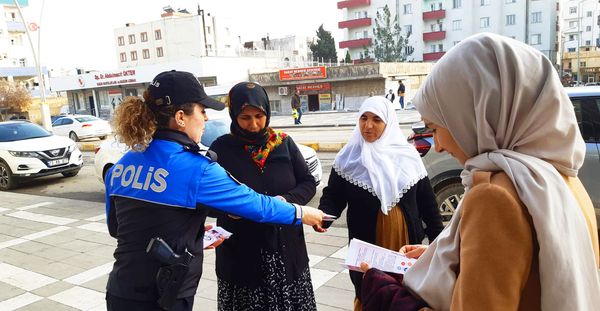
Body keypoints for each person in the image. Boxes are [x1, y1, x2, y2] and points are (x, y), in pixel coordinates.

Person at [360, 33, 600, 310]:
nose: (438, 146)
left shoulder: (493, 196)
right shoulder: (559, 179)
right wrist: (443, 256)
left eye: (437, 128)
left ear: (478, 114)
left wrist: (383, 290)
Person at [104, 70, 324, 311]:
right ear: (180, 117)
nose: (206, 118)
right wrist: (301, 213)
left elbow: (118, 228)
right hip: (164, 295)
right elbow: (258, 207)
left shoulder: (123, 165)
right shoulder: (197, 168)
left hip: (121, 291)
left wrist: (188, 231)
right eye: (201, 110)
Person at [314, 96, 444, 311]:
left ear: (388, 123)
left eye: (376, 119)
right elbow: (333, 197)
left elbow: (428, 206)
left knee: (405, 296)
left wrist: (438, 246)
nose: (368, 125)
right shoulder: (347, 158)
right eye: (363, 118)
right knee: (369, 293)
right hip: (368, 245)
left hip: (404, 244)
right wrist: (323, 218)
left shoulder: (408, 157)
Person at [209, 82, 317, 311]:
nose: (254, 124)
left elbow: (308, 183)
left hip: (287, 251)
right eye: (245, 117)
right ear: (233, 115)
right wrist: (229, 210)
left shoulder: (283, 143)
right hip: (242, 255)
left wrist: (285, 202)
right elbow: (205, 199)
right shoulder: (222, 149)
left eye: (259, 115)